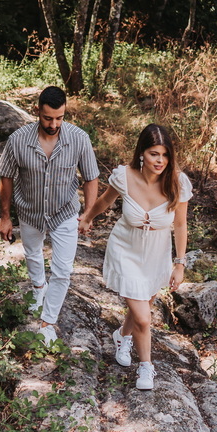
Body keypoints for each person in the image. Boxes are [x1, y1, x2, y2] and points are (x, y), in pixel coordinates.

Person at [78, 123, 191, 390]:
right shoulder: (124, 176)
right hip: (125, 248)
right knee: (143, 316)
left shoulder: (178, 182)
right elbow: (105, 201)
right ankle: (146, 368)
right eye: (154, 154)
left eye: (165, 155)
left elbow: (181, 225)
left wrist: (180, 263)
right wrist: (87, 218)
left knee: (143, 305)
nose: (160, 160)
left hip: (156, 253)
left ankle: (122, 336)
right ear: (142, 152)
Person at [0, 86, 100, 346]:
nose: (53, 124)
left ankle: (48, 322)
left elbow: (91, 177)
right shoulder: (18, 140)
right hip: (29, 212)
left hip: (64, 212)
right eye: (47, 118)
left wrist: (88, 213)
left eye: (59, 118)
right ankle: (38, 288)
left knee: (63, 271)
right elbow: (6, 177)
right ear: (37, 112)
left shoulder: (79, 138)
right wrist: (5, 216)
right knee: (32, 254)